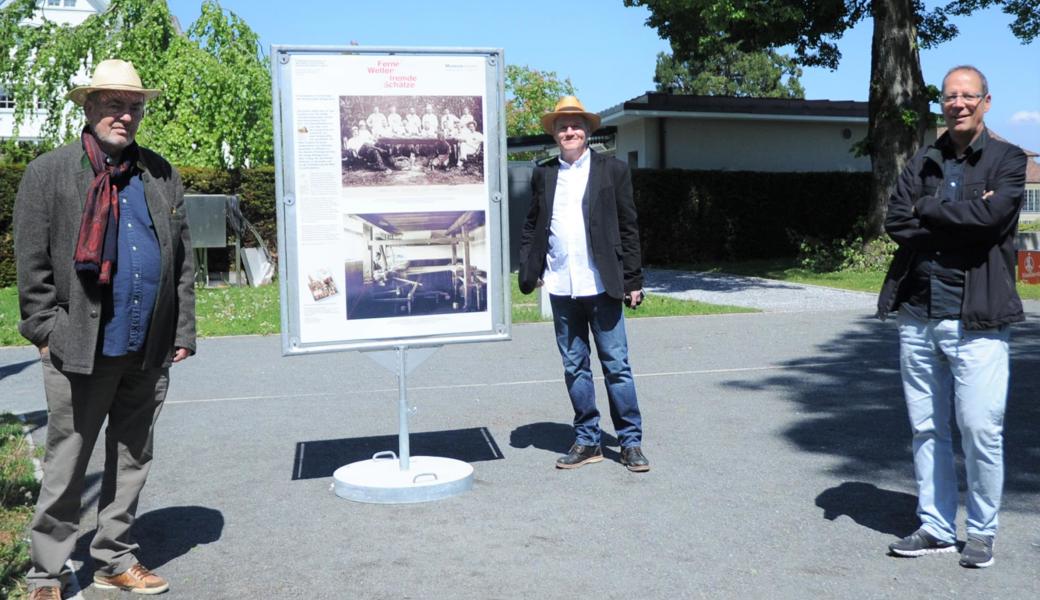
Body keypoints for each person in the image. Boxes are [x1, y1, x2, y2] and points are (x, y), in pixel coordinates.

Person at [14, 59, 196, 598]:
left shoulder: (160, 174)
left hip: (149, 345)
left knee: (133, 455)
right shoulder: (50, 172)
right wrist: (46, 330)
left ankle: (113, 557)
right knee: (67, 460)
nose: (125, 114)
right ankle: (46, 572)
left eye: (133, 105)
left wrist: (181, 330)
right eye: (114, 104)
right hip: (79, 345)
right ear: (89, 107)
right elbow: (33, 265)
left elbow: (180, 260)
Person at [877, 65, 1027, 569]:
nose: (958, 104)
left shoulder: (1008, 159)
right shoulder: (923, 158)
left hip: (978, 318)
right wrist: (956, 216)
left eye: (968, 96)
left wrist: (929, 209)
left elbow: (994, 219)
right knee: (927, 428)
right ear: (942, 103)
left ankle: (982, 531)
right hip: (918, 315)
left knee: (981, 429)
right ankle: (937, 526)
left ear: (986, 101)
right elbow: (895, 220)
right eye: (950, 97)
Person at [517, 96, 649, 472]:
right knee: (574, 367)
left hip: (602, 285)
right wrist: (531, 266)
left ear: (588, 132)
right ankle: (588, 440)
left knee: (616, 366)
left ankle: (630, 443)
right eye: (562, 127)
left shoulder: (613, 170)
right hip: (561, 286)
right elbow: (532, 226)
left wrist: (633, 279)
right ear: (555, 134)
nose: (569, 131)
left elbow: (628, 227)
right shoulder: (544, 175)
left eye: (575, 126)